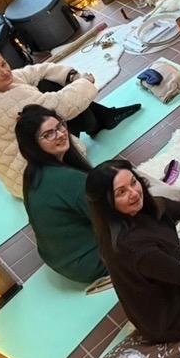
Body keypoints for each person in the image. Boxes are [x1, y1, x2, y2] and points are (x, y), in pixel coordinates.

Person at [0, 49, 141, 199]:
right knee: (63, 106)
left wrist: (69, 75)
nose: (4, 72)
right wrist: (84, 81)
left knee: (46, 83)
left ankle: (102, 119)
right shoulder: (2, 102)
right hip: (33, 178)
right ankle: (100, 121)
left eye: (3, 64)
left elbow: (36, 71)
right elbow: (62, 105)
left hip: (24, 168)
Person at [86, 160, 180, 342]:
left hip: (177, 279)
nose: (134, 193)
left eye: (134, 182)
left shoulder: (147, 206)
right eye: (121, 192)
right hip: (173, 318)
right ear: (107, 203)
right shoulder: (133, 247)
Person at [15, 105, 106, 284]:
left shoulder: (32, 172)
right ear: (33, 144)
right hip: (92, 262)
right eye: (48, 134)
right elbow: (111, 218)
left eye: (60, 126)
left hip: (60, 259)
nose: (60, 134)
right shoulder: (68, 179)